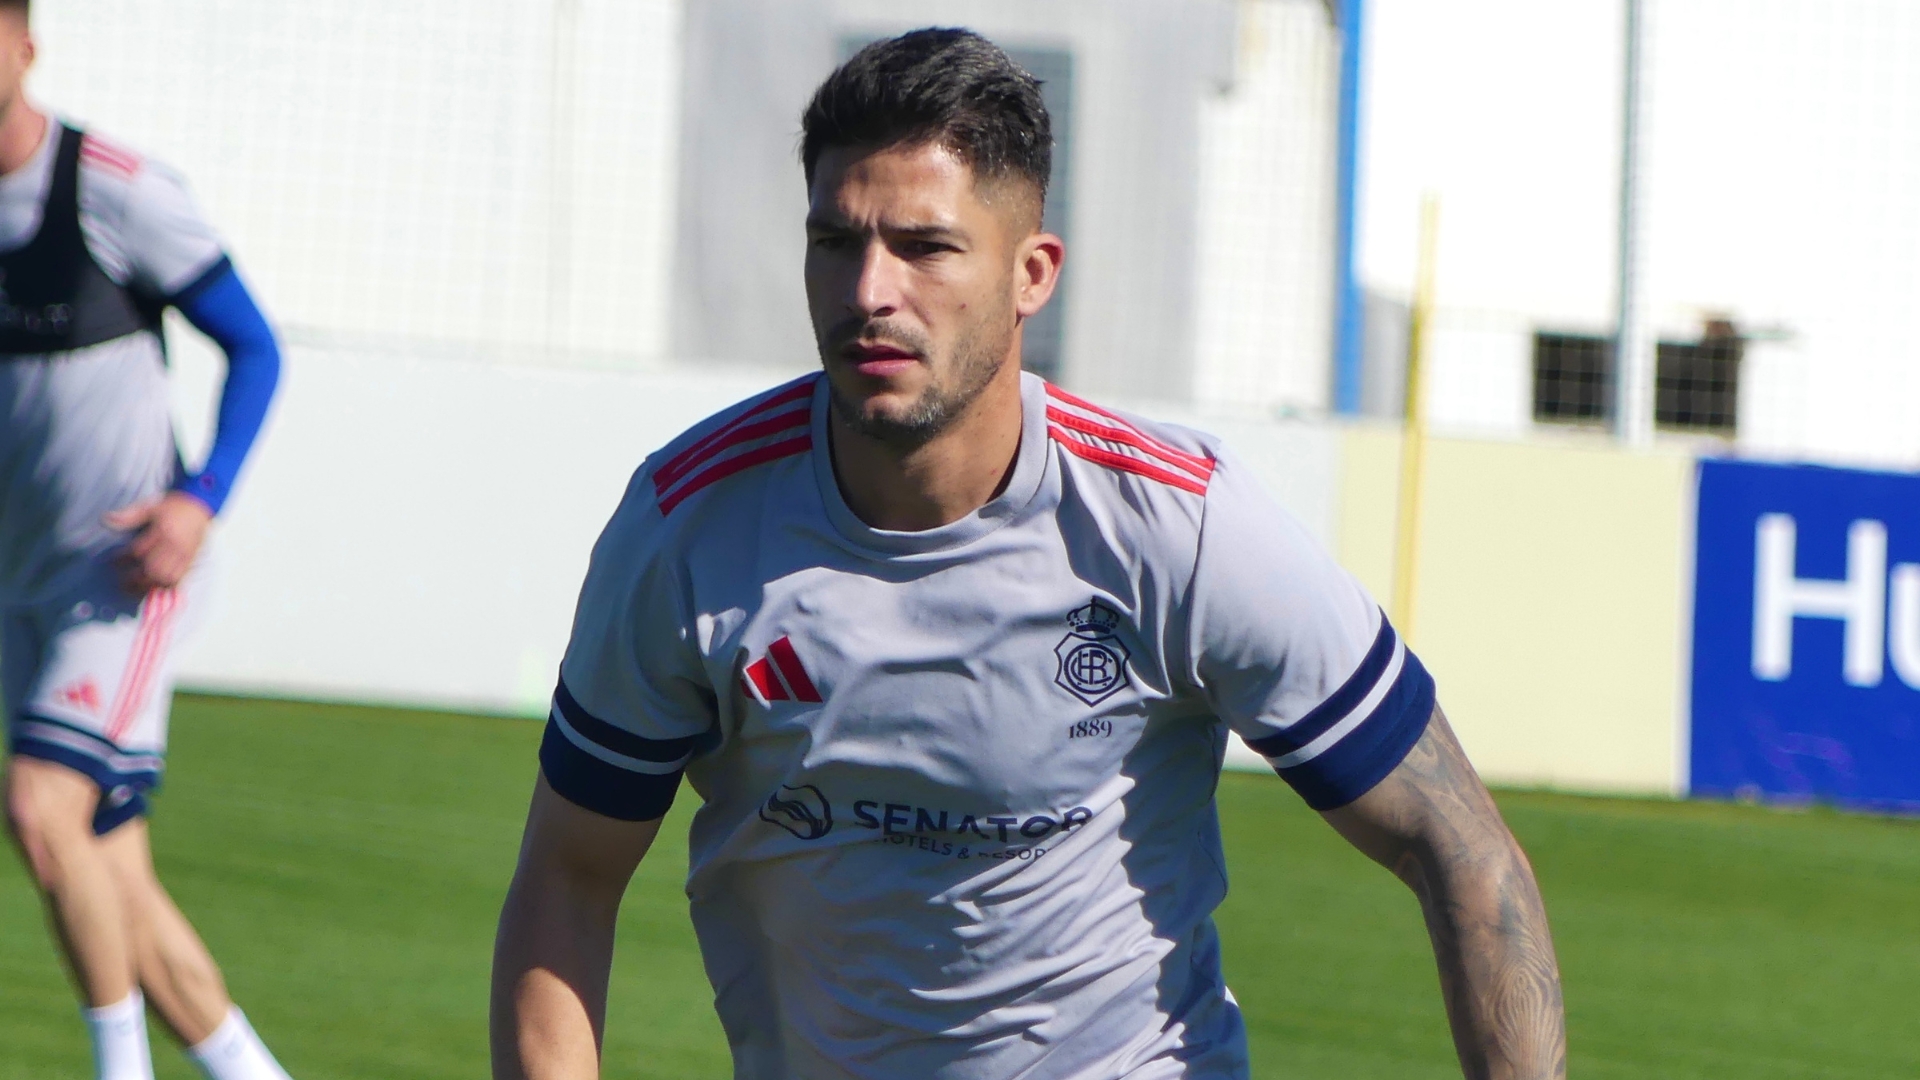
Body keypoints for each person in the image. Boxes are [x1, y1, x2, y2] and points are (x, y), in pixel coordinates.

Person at [493, 27, 1565, 1080]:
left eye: (924, 247)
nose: (869, 292)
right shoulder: (688, 527)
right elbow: (569, 879)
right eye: (835, 241)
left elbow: (1463, 848)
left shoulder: (1180, 527)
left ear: (1031, 274)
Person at [0, 4, 293, 1079]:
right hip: (20, 585)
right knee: (110, 873)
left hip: (119, 576)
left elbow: (255, 347)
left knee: (41, 807)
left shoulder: (111, 188)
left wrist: (199, 500)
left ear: (27, 48)